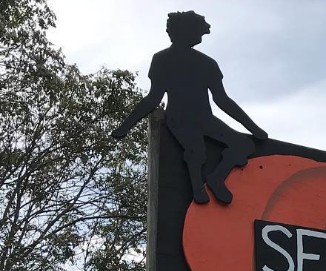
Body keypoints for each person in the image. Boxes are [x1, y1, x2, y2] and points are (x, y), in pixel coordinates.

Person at [111, 10, 268, 204]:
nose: (201, 36)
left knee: (243, 145)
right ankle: (197, 189)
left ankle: (216, 177)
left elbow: (222, 100)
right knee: (196, 151)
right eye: (198, 32)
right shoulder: (162, 60)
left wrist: (254, 129)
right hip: (179, 118)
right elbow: (153, 98)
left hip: (204, 118)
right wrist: (126, 126)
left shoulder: (207, 63)